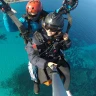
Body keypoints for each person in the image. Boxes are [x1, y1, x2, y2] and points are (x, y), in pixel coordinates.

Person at [25, 12, 72, 95]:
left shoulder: (60, 36)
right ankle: (35, 82)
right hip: (42, 59)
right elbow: (32, 57)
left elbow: (65, 47)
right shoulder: (36, 38)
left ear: (58, 29)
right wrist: (46, 63)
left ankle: (66, 91)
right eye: (47, 27)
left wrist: (66, 41)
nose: (49, 30)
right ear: (44, 25)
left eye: (53, 29)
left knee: (67, 74)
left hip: (56, 58)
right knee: (32, 67)